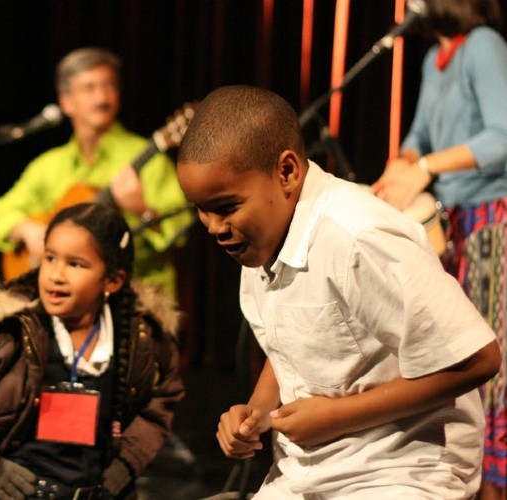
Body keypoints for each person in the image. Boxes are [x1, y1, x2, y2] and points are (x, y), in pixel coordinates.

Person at [176, 85, 501, 498]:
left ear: (288, 172)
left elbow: (477, 358)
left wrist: (336, 417)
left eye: (225, 206)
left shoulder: (358, 238)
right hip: (310, 471)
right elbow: (302, 339)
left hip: (404, 471)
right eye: (201, 210)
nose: (213, 227)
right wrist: (258, 409)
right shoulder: (260, 238)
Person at [0, 202, 185, 499]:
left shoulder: (140, 339)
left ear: (113, 280)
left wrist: (128, 461)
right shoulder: (6, 330)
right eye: (50, 258)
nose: (55, 274)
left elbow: (163, 398)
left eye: (75, 264)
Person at [371, 1, 507, 497]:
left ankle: (496, 481)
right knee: (457, 349)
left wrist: (425, 167)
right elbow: (417, 137)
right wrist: (401, 166)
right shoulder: (436, 59)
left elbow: (503, 135)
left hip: (493, 221)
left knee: (492, 357)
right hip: (453, 227)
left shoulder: (484, 47)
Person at [0, 47, 193, 299]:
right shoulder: (49, 165)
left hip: (137, 302)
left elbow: (180, 235)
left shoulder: (150, 159)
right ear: (66, 102)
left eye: (109, 86)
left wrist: (141, 208)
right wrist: (27, 230)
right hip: (65, 306)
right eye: (89, 88)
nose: (101, 97)